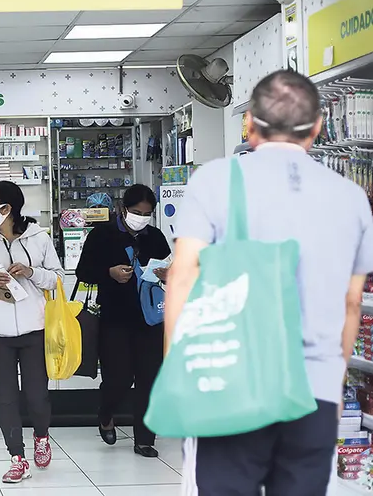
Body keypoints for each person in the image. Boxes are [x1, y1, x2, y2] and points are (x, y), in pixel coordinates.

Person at [167, 69, 373, 495]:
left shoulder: (216, 180)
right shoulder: (350, 196)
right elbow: (352, 304)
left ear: (251, 123)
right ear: (317, 126)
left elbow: (182, 277)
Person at [0, 180, 64, 484]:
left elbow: (59, 279)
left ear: (7, 208)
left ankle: (42, 436)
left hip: (35, 331)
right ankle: (16, 458)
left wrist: (32, 272)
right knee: (6, 398)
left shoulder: (39, 238)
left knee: (37, 396)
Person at [75, 184, 171, 457]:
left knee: (148, 378)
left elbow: (170, 266)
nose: (141, 217)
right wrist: (110, 273)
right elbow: (84, 272)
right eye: (136, 212)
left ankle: (144, 439)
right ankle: (106, 413)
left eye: (147, 213)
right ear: (122, 209)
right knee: (118, 379)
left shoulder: (155, 237)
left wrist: (167, 274)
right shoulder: (102, 235)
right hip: (115, 318)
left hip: (150, 319)